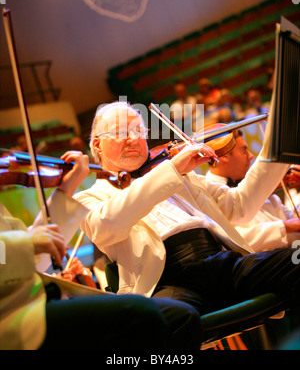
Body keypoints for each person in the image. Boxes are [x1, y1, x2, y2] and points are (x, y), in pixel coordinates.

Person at [74, 101, 300, 322]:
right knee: (160, 324)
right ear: (97, 145)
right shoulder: (90, 198)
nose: (133, 139)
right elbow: (107, 224)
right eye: (121, 132)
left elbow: (240, 205)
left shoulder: (182, 177)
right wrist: (172, 169)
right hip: (169, 283)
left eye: (138, 130)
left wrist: (281, 138)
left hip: (222, 264)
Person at [0, 150, 202, 350]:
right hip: (13, 318)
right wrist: (25, 241)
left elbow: (33, 259)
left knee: (181, 316)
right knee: (143, 316)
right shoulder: (94, 195)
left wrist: (65, 190)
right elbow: (20, 249)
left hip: (34, 300)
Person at [206, 130, 300, 251]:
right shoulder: (209, 193)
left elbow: (289, 218)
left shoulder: (250, 183)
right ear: (224, 156)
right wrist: (285, 227)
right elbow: (234, 240)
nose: (251, 156)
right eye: (244, 150)